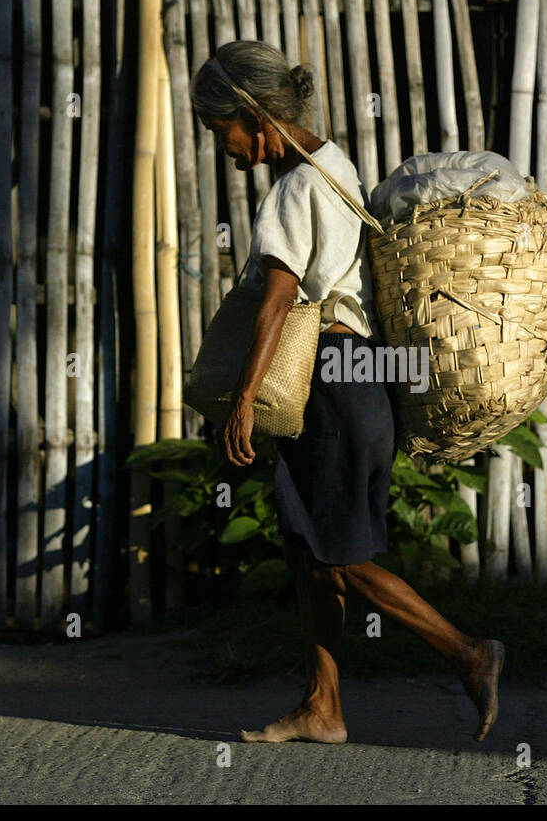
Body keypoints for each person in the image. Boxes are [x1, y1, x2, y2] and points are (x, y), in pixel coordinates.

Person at [191, 40, 504, 744]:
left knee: (337, 554)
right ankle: (322, 705)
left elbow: (278, 298)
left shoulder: (294, 190)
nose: (229, 151)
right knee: (309, 548)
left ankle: (467, 653)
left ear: (252, 115)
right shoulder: (336, 170)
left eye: (225, 134)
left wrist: (243, 400)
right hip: (358, 381)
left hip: (330, 381)